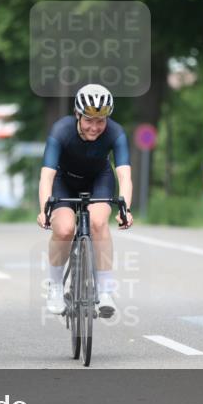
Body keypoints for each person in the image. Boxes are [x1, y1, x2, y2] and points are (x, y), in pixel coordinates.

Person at [36, 84, 133, 318]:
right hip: (64, 180)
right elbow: (46, 176)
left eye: (101, 121)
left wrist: (125, 209)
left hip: (99, 179)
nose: (95, 127)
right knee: (65, 228)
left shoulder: (115, 132)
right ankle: (56, 287)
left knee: (99, 222)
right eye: (89, 120)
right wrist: (44, 210)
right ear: (77, 114)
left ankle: (106, 290)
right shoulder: (61, 130)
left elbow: (124, 175)